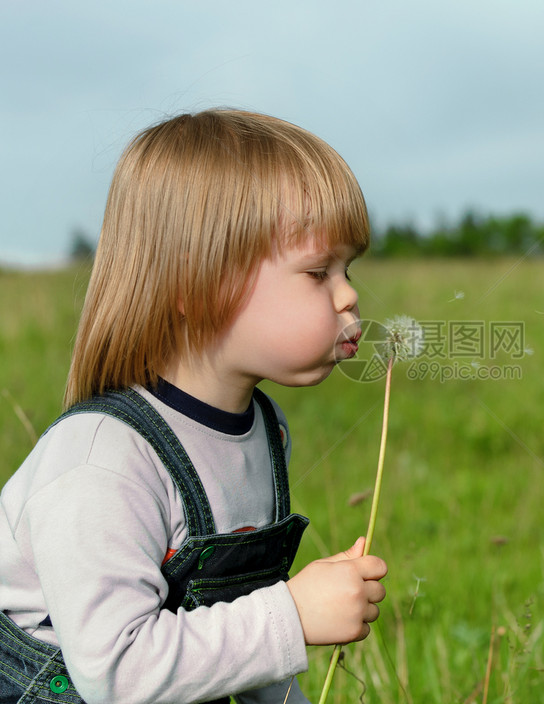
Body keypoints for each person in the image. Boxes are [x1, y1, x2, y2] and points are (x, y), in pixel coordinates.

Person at [0, 109, 388, 704]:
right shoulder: (102, 464)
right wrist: (292, 616)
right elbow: (119, 673)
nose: (349, 294)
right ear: (198, 284)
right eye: (317, 271)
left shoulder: (263, 431)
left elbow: (233, 636)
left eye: (348, 268)